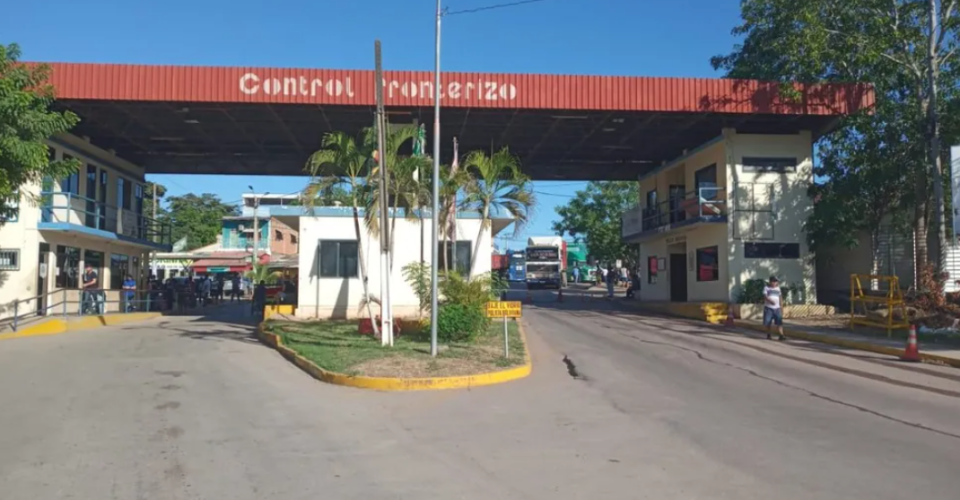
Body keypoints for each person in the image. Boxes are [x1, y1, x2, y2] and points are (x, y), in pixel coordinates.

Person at [763, 276, 786, 341]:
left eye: (776, 281)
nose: (775, 283)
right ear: (770, 282)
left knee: (779, 322)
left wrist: (781, 307)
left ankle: (781, 335)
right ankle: (768, 334)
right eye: (773, 281)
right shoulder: (766, 288)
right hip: (768, 308)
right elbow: (765, 296)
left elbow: (780, 297)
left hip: (777, 308)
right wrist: (770, 301)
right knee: (768, 322)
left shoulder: (778, 289)